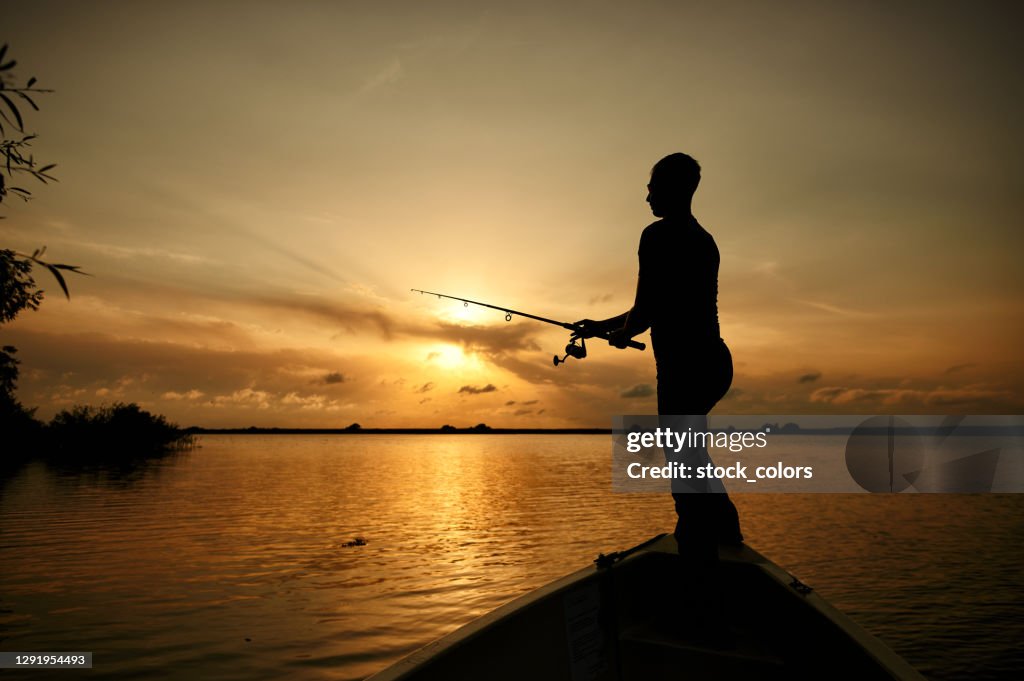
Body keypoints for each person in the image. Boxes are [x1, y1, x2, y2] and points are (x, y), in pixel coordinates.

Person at [575, 152, 743, 598]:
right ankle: (727, 537)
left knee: (684, 467)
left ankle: (700, 578)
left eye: (653, 186)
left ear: (673, 189)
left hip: (685, 368)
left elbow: (645, 311)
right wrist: (602, 328)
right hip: (714, 363)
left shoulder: (657, 235)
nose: (647, 194)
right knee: (692, 459)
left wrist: (622, 331)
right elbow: (653, 307)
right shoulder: (704, 239)